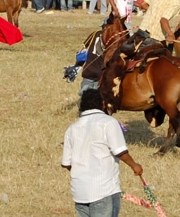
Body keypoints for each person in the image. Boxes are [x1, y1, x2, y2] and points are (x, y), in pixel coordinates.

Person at [61, 89, 143, 217]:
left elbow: (66, 163)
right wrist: (134, 165)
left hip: (79, 192)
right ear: (103, 103)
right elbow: (119, 151)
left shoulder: (72, 128)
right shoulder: (108, 122)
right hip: (104, 190)